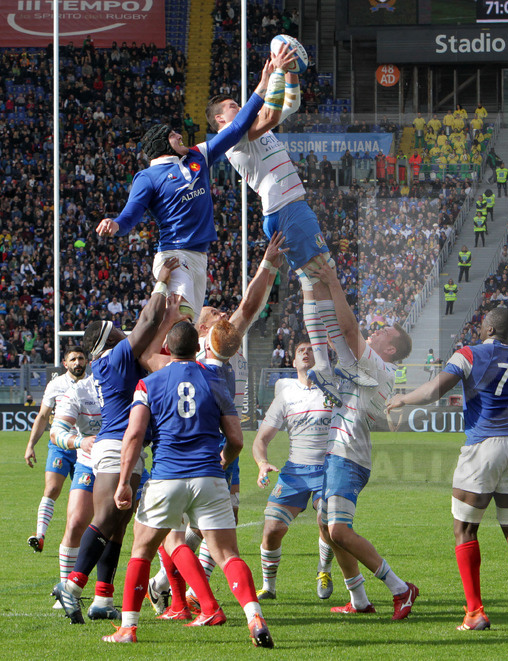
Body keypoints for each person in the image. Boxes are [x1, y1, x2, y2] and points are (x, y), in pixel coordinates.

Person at [208, 44, 373, 408]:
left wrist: (291, 72)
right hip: (287, 209)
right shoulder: (236, 138)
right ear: (221, 120)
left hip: (287, 209)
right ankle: (341, 364)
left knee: (313, 285)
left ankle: (330, 369)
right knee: (324, 277)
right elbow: (266, 114)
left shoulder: (253, 130)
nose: (239, 108)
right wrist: (275, 74)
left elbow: (287, 107)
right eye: (233, 107)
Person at [101, 322, 272, 647]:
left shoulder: (148, 383)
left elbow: (134, 435)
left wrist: (124, 481)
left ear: (167, 346)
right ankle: (254, 615)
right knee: (226, 554)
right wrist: (222, 461)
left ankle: (128, 628)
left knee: (142, 550)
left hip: (167, 476)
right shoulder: (215, 380)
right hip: (208, 476)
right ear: (199, 349)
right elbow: (236, 437)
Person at [146, 237, 286, 616]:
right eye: (213, 311)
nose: (220, 312)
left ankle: (173, 585)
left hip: (221, 439)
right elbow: (246, 306)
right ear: (202, 326)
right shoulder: (203, 347)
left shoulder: (224, 341)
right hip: (202, 441)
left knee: (223, 520)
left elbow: (249, 307)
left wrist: (268, 268)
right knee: (196, 526)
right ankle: (174, 585)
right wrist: (268, 266)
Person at [387, 307, 508, 631]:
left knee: (465, 529)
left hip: (483, 444)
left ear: (486, 327)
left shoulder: (469, 354)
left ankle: (475, 613)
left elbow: (434, 390)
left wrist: (403, 398)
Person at [95, 55, 280, 320]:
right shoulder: (147, 177)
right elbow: (130, 216)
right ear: (161, 144)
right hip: (174, 255)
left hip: (199, 257)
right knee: (178, 322)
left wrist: (263, 85)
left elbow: (236, 128)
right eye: (172, 134)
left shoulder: (198, 156)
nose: (180, 135)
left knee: (189, 326)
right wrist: (115, 224)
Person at [52, 258, 183, 624]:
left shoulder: (120, 360)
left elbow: (147, 341)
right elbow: (143, 327)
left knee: (118, 526)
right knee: (108, 517)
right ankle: (72, 585)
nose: (127, 334)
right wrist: (160, 283)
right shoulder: (115, 357)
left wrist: (169, 320)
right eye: (119, 332)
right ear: (109, 340)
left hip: (127, 446)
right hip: (114, 445)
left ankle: (101, 599)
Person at [305, 256, 418, 620]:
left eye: (384, 332)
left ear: (389, 349)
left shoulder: (381, 367)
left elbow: (349, 331)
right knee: (327, 525)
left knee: (338, 528)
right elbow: (336, 329)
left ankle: (401, 588)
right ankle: (358, 600)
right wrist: (315, 284)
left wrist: (334, 282)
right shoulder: (366, 365)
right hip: (339, 451)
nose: (377, 329)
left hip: (348, 455)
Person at [251, 339, 336, 601]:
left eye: (312, 350)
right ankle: (269, 586)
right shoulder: (286, 396)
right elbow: (260, 440)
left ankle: (324, 570)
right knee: (272, 528)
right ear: (293, 362)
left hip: (329, 468)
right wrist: (262, 463)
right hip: (295, 471)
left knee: (326, 519)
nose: (307, 354)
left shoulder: (333, 390)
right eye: (301, 351)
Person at [24, 347, 89, 553]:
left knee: (83, 499)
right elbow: (43, 416)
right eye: (73, 359)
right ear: (65, 363)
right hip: (60, 445)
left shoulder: (94, 383)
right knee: (52, 489)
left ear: (86, 361)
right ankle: (40, 536)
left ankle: (77, 541)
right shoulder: (56, 385)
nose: (77, 362)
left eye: (80, 358)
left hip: (86, 446)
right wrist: (30, 445)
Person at [48, 374, 102, 610]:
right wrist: (80, 442)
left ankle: (164, 585)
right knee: (76, 522)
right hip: (88, 464)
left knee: (155, 527)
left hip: (127, 464)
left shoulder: (131, 380)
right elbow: (56, 432)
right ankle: (66, 590)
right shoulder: (80, 390)